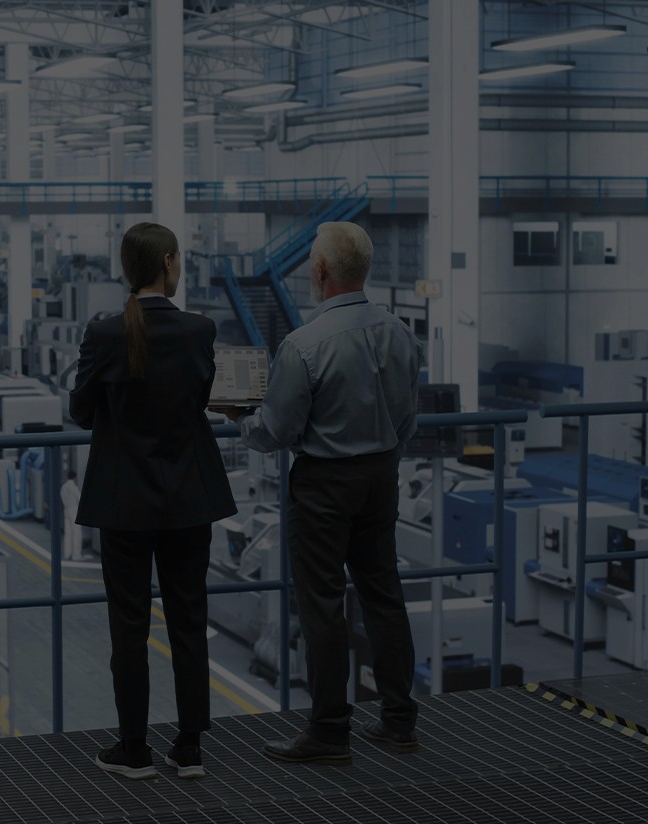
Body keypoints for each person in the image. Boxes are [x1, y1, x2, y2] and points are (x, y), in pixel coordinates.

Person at [219, 221, 424, 763]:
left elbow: (275, 432)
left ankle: (331, 731)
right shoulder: (400, 331)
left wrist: (241, 418)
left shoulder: (304, 344)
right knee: (384, 596)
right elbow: (408, 418)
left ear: (319, 271)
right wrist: (382, 458)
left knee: (322, 606)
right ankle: (400, 721)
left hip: (325, 486)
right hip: (381, 477)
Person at [70, 221, 237, 780]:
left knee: (129, 626)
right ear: (168, 263)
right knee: (189, 619)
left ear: (129, 267)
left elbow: (79, 409)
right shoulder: (199, 330)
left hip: (125, 503)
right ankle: (189, 747)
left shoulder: (105, 333)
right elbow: (209, 396)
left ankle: (134, 748)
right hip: (189, 499)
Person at [60, 469, 83, 561]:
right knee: (76, 533)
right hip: (74, 510)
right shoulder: (74, 488)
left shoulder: (64, 487)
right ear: (74, 477)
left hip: (66, 510)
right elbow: (80, 498)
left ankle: (67, 554)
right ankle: (76, 555)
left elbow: (62, 498)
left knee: (67, 533)